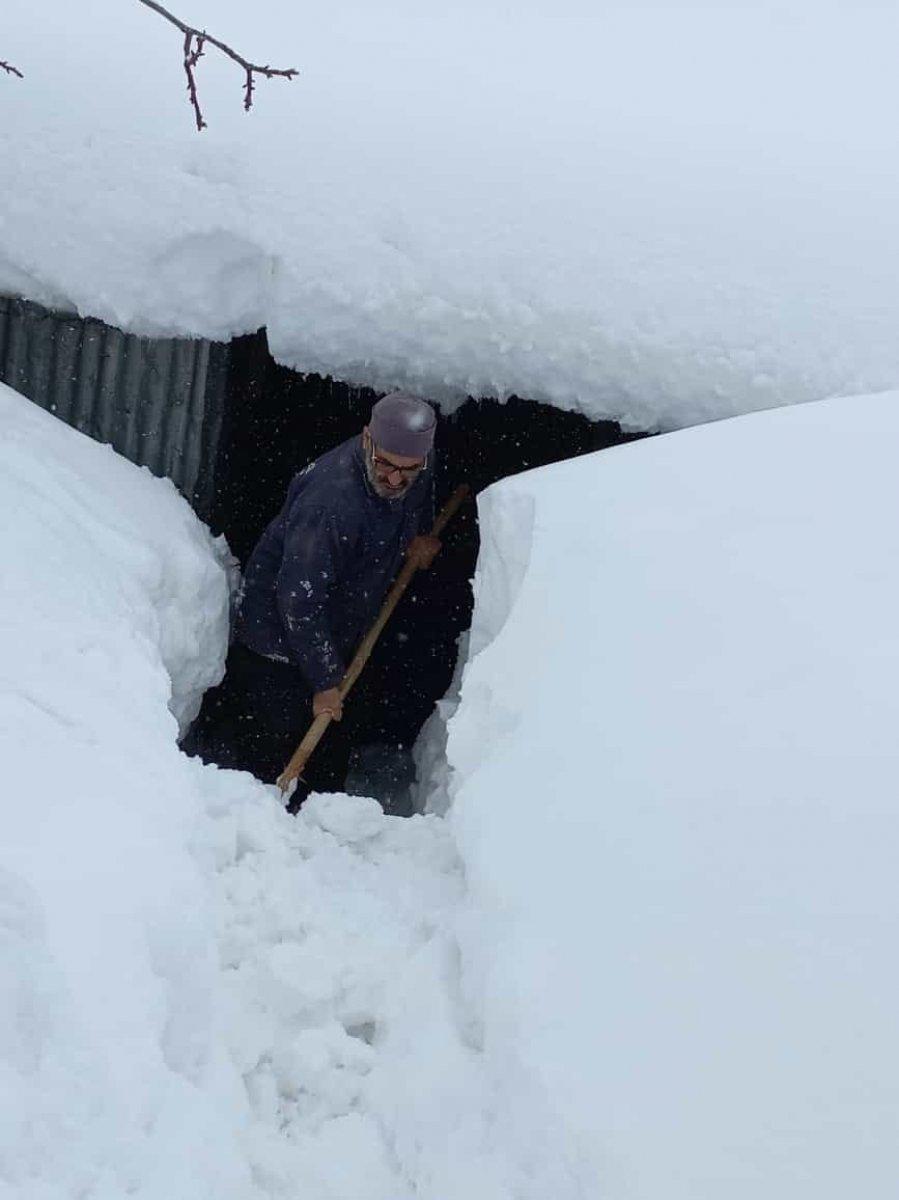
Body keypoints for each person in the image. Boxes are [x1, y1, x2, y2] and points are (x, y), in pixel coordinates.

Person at [189, 391, 441, 810]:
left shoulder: (415, 466)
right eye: (386, 466)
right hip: (277, 639)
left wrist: (417, 538)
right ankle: (265, 827)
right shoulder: (331, 501)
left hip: (338, 621)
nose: (396, 479)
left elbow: (416, 497)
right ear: (367, 440)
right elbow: (299, 602)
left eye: (408, 470)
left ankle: (324, 812)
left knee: (331, 743)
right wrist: (325, 681)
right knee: (274, 752)